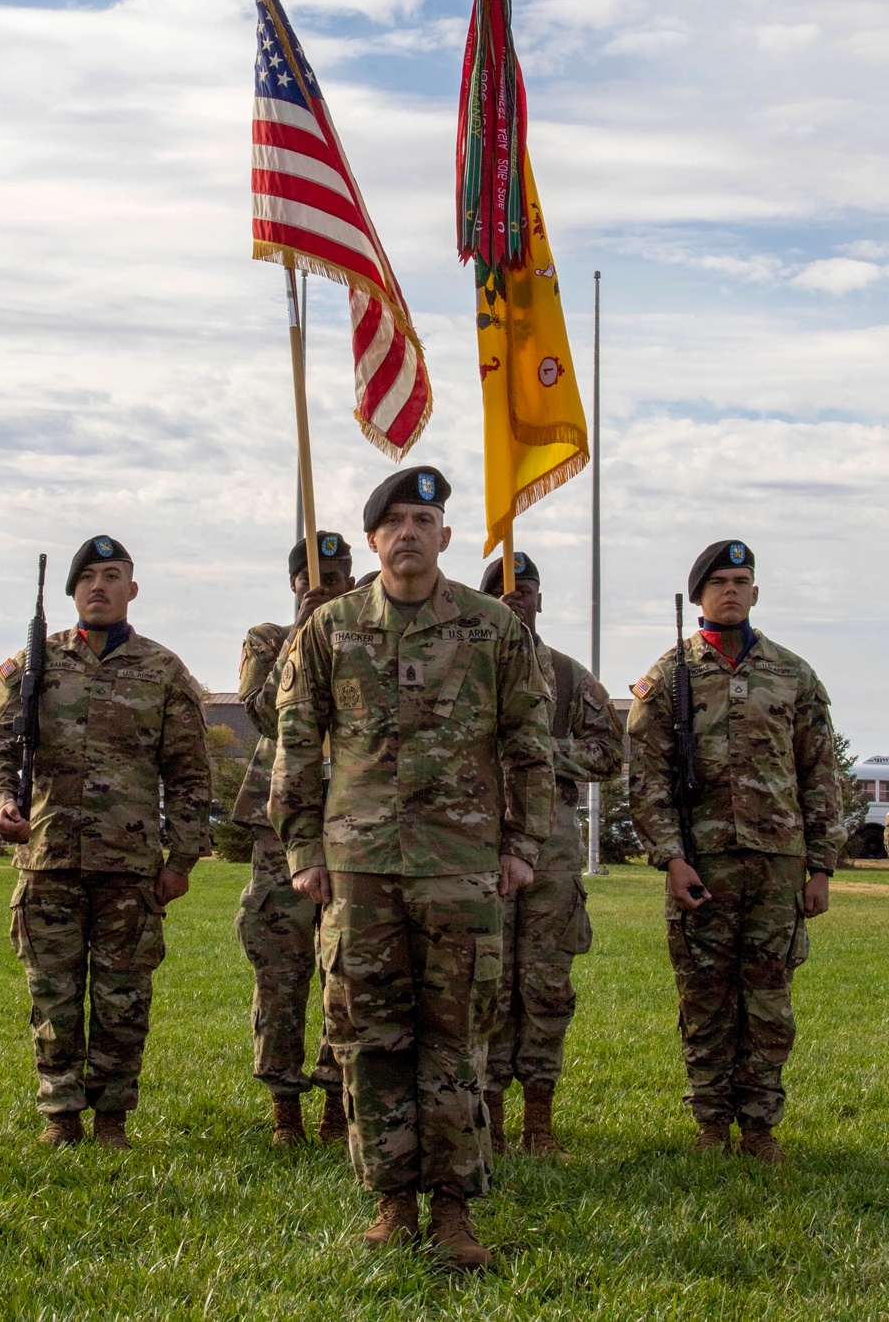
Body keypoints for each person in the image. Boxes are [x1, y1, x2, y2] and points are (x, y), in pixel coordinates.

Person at [269, 467, 554, 1269]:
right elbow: (297, 745)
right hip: (358, 866)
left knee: (457, 1039)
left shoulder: (493, 628)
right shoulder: (327, 631)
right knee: (369, 1036)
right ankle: (393, 1202)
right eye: (392, 521)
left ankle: (456, 1213)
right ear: (371, 540)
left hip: (459, 868)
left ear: (446, 536)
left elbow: (530, 746)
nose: (407, 534)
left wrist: (522, 848)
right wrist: (301, 851)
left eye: (422, 519)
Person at [0, 535, 211, 1149]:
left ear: (132, 589)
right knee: (52, 998)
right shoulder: (31, 666)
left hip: (130, 868)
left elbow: (188, 773)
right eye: (87, 579)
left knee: (123, 999)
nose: (98, 587)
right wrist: (2, 802)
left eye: (111, 576)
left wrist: (181, 859)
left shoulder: (164, 671)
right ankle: (60, 1116)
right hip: (47, 862)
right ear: (71, 592)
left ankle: (111, 1121)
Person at [627, 540, 844, 1163]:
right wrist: (670, 858)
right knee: (705, 996)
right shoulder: (669, 677)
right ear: (698, 596)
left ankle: (760, 1126)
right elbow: (646, 778)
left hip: (778, 864)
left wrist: (821, 866)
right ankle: (710, 1122)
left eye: (741, 580)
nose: (730, 590)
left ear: (755, 591)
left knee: (770, 997)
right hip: (704, 864)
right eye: (718, 581)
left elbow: (819, 775)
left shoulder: (792, 675)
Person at [479, 552, 623, 1157]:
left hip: (553, 850)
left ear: (541, 599)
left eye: (526, 589)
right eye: (502, 590)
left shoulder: (567, 676)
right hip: (480, 841)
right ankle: (486, 1119)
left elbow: (609, 754)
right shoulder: (465, 665)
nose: (516, 599)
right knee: (483, 982)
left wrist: (541, 751)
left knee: (545, 986)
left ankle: (539, 1121)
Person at [232, 531, 354, 1146]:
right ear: (293, 585)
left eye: (335, 579)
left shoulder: (362, 638)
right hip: (282, 823)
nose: (323, 588)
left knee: (348, 965)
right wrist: (299, 640)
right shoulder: (266, 640)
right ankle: (285, 1107)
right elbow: (259, 711)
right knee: (281, 969)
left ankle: (336, 1101)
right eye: (312, 579)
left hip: (354, 820)